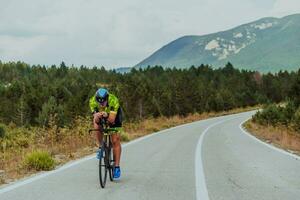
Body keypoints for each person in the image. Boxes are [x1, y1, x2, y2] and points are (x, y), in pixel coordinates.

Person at [89, 88, 122, 179]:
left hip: (114, 116)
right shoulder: (92, 101)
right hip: (102, 115)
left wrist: (106, 115)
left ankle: (117, 167)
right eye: (99, 102)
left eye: (103, 102)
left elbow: (111, 120)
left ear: (107, 99)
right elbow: (95, 119)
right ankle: (101, 146)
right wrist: (97, 116)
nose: (101, 104)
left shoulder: (113, 100)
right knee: (96, 124)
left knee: (115, 140)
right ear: (96, 99)